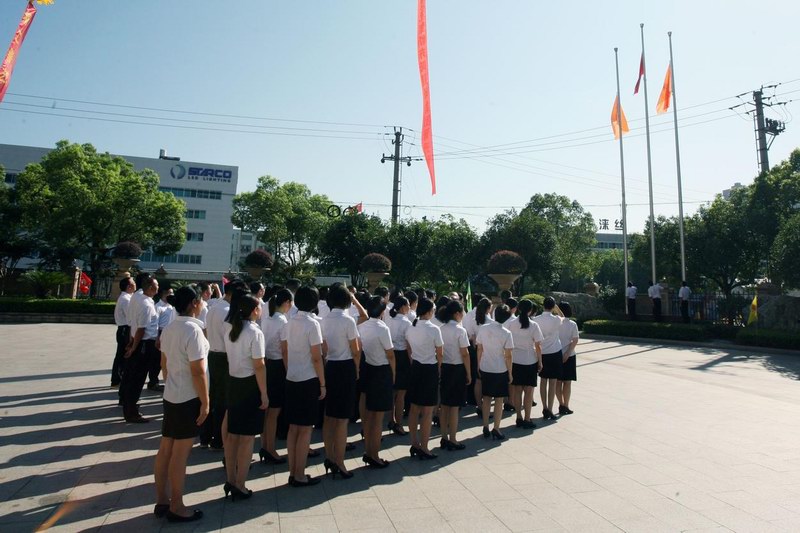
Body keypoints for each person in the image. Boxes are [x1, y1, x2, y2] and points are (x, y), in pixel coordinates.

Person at [153, 285, 209, 523]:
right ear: (195, 303)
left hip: (172, 394)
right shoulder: (193, 331)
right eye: (202, 301)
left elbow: (164, 364)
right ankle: (177, 504)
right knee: (180, 453)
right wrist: (205, 402)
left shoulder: (170, 328)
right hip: (188, 396)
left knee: (166, 448)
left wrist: (171, 384)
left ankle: (162, 500)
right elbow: (198, 371)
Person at [222, 294, 267, 501]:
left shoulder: (231, 329)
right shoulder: (254, 332)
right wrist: (264, 394)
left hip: (233, 383)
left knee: (232, 436)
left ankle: (231, 479)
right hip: (249, 385)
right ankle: (240, 483)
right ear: (254, 310)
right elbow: (259, 365)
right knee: (247, 438)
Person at [282, 286, 326, 487]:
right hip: (308, 378)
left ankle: (293, 471)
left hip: (291, 378)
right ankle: (299, 474)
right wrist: (323, 383)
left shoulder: (289, 322)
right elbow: (317, 357)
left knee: (293, 428)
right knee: (306, 429)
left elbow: (285, 350)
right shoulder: (312, 324)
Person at [320, 284, 360, 479]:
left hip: (329, 366)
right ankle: (340, 461)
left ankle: (329, 456)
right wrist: (358, 368)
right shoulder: (348, 320)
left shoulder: (323, 320)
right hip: (345, 367)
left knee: (329, 415)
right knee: (343, 418)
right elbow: (355, 349)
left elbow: (323, 348)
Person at [203, 279, 247, 450]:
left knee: (212, 397)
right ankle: (219, 439)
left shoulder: (213, 307)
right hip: (224, 357)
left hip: (212, 354)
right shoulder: (229, 311)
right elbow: (230, 339)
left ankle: (205, 436)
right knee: (223, 400)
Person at [358, 296, 395, 467]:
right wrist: (393, 374)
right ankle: (374, 454)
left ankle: (368, 451)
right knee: (378, 417)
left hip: (367, 368)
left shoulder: (362, 326)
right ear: (381, 311)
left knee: (369, 415)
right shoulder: (382, 328)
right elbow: (390, 354)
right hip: (381, 371)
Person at [405, 298, 443, 459]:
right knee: (427, 411)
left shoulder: (411, 327)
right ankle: (425, 447)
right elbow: (440, 352)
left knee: (414, 409)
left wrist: (413, 359)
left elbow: (408, 347)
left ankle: (414, 443)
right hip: (429, 368)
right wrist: (439, 368)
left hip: (416, 367)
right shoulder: (434, 329)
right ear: (428, 311)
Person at [259, 288, 292, 465]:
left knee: (268, 411)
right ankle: (270, 448)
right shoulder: (283, 322)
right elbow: (285, 350)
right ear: (286, 303)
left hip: (267, 364)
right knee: (274, 411)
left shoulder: (267, 319)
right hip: (278, 366)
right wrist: (289, 371)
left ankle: (265, 445)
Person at [121, 275, 159, 423]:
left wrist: (131, 342)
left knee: (133, 376)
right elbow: (141, 329)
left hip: (139, 341)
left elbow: (133, 323)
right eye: (156, 285)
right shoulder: (146, 304)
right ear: (150, 288)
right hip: (144, 344)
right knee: (137, 378)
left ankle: (130, 407)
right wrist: (134, 347)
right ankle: (131, 411)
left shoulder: (138, 298)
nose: (158, 288)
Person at [476, 304, 514, 441]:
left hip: (485, 366)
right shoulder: (506, 333)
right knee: (498, 400)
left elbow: (479, 348)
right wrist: (510, 372)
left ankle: (485, 426)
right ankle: (496, 428)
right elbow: (508, 355)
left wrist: (478, 365)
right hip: (500, 368)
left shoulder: (483, 328)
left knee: (486, 398)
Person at [505, 299, 543, 429]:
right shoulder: (534, 325)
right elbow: (538, 346)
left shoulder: (511, 324)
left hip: (515, 360)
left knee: (517, 391)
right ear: (530, 310)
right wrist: (540, 362)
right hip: (529, 360)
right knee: (529, 392)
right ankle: (527, 418)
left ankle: (518, 417)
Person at [438, 300, 471, 450]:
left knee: (444, 404)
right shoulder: (460, 330)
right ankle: (453, 439)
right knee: (454, 406)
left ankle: (444, 436)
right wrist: (469, 373)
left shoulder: (441, 328)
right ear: (457, 313)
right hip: (457, 368)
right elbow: (465, 354)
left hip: (444, 368)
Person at [532, 297, 563, 421]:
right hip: (555, 352)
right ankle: (550, 408)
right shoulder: (556, 319)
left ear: (543, 305)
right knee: (553, 382)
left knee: (543, 381)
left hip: (542, 353)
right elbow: (563, 317)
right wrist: (557, 308)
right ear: (553, 306)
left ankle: (544, 407)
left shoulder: (536, 319)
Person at [387, 296, 412, 436]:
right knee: (401, 393)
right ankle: (399, 423)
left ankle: (391, 419)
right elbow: (408, 346)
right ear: (402, 307)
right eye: (408, 305)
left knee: (392, 391)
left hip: (390, 355)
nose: (409, 307)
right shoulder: (406, 323)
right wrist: (411, 361)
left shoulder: (389, 320)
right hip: (402, 356)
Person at [465, 297, 493, 415]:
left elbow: (471, 336)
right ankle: (486, 407)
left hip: (476, 350)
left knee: (478, 380)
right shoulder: (490, 322)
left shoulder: (473, 319)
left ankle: (479, 405)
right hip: (488, 351)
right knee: (488, 379)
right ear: (488, 308)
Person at [112, 277, 136, 389]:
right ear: (129, 286)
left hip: (124, 329)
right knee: (122, 355)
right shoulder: (126, 299)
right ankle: (117, 380)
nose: (135, 284)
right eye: (133, 283)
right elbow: (130, 317)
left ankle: (117, 379)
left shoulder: (126, 297)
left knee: (121, 354)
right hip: (125, 329)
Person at [557, 302, 579, 416]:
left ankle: (560, 404)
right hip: (570, 355)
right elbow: (575, 340)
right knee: (567, 383)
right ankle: (566, 405)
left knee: (557, 382)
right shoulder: (572, 324)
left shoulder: (555, 323)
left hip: (555, 355)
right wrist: (567, 353)